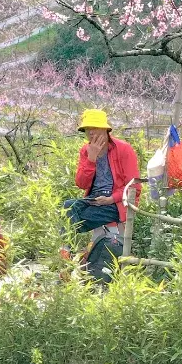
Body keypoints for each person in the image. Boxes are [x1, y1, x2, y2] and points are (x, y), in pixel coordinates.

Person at [63, 109, 141, 283]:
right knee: (68, 206)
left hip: (117, 203)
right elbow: (81, 184)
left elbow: (134, 185)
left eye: (95, 128)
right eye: (87, 129)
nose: (91, 133)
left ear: (106, 130)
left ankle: (72, 259)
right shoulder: (86, 151)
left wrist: (112, 198)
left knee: (77, 220)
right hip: (94, 200)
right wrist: (91, 159)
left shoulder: (123, 149)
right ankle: (66, 251)